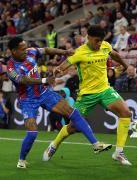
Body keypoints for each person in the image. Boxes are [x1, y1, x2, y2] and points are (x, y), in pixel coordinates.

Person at [7, 37, 111, 169]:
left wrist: (64, 52)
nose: (25, 50)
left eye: (25, 47)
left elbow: (46, 50)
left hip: (44, 93)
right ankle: (21, 160)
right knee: (32, 133)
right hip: (28, 100)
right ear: (14, 51)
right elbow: (23, 80)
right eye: (22, 49)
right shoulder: (11, 68)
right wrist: (45, 80)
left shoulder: (31, 51)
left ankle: (96, 144)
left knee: (73, 113)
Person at [43, 25, 132, 166]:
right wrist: (58, 70)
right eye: (96, 41)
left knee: (126, 113)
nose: (98, 44)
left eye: (101, 41)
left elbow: (114, 54)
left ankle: (119, 152)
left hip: (105, 90)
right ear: (88, 38)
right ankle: (53, 145)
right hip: (86, 95)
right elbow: (66, 63)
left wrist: (125, 65)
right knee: (72, 127)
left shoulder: (105, 45)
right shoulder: (80, 52)